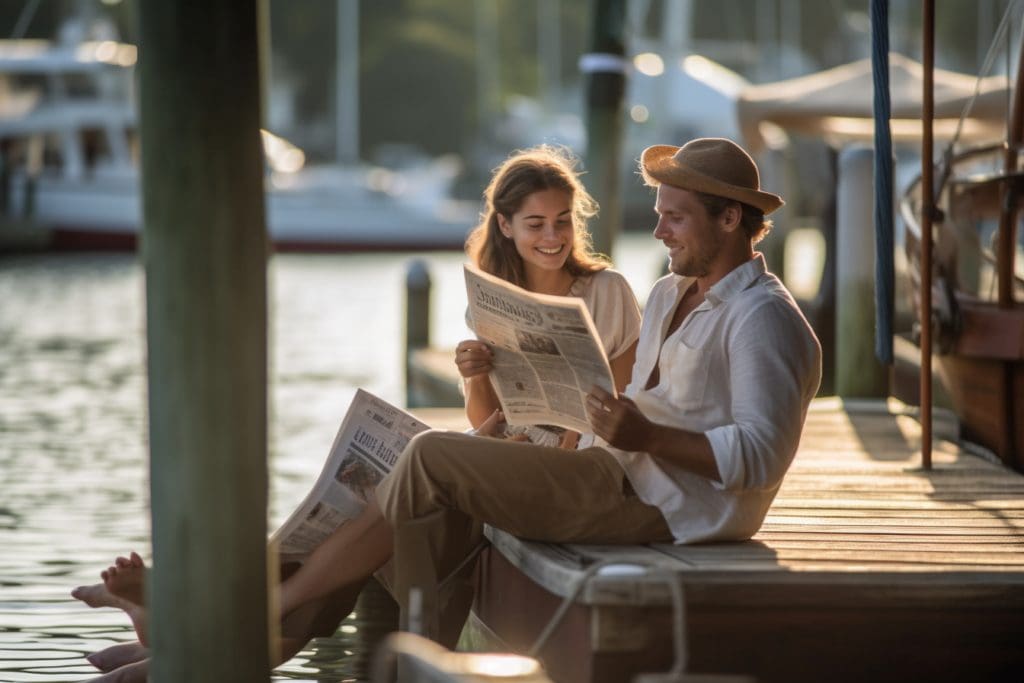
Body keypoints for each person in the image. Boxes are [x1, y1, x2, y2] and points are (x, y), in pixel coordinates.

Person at [79, 137, 821, 671]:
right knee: (403, 476)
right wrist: (590, 412)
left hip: (663, 507)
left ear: (732, 220)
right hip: (611, 468)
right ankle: (194, 648)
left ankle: (233, 618)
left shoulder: (764, 320)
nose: (657, 229)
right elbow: (633, 404)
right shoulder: (668, 292)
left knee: (427, 457)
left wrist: (640, 432)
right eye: (658, 213)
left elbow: (757, 457)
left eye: (676, 217)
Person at [456, 144, 640, 446]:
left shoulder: (608, 290)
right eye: (536, 224)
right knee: (425, 449)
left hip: (587, 454)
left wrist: (570, 445)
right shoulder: (488, 300)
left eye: (563, 221)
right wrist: (475, 376)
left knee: (429, 452)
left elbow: (628, 403)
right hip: (513, 449)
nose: (553, 237)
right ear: (505, 225)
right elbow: (484, 421)